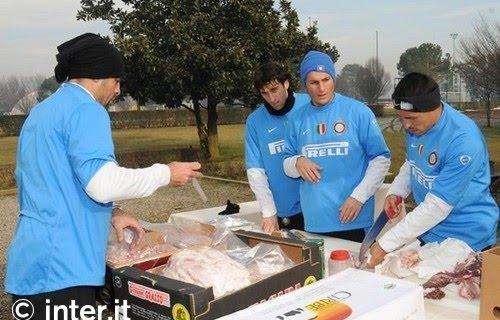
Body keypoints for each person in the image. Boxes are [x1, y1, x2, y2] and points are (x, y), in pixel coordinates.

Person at [5, 33, 201, 318]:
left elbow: (54, 181)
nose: (118, 90)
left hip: (32, 265)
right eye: (117, 80)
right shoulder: (87, 110)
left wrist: (113, 212)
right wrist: (165, 173)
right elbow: (102, 184)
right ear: (98, 76)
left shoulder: (41, 113)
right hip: (64, 271)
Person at [368, 72, 499, 267]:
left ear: (432, 108)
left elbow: (437, 206)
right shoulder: (417, 127)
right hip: (430, 233)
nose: (405, 125)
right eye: (401, 118)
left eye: (411, 118)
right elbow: (412, 162)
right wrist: (397, 191)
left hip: (467, 240)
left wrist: (385, 244)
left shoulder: (463, 140)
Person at [282, 51, 391, 242]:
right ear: (305, 85)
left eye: (326, 80)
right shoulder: (296, 119)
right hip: (315, 221)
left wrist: (358, 197)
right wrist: (297, 162)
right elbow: (286, 163)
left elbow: (381, 159)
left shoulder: (358, 112)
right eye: (314, 82)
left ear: (333, 79)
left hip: (353, 219)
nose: (321, 88)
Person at [245, 62, 309, 233]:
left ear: (286, 83)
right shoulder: (254, 121)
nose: (271, 98)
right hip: (285, 214)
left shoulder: (310, 106)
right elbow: (255, 171)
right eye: (264, 93)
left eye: (274, 90)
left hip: (318, 208)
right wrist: (268, 212)